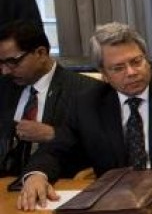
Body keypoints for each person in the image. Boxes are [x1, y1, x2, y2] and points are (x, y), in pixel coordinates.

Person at [17, 22, 152, 211]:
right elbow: (56, 149)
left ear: (146, 59)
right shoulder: (87, 104)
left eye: (136, 62)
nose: (131, 72)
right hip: (113, 206)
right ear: (104, 74)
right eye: (118, 68)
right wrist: (37, 174)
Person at [0, 20, 93, 185]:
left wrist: (53, 135)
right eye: (1, 63)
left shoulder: (85, 91)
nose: (5, 71)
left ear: (41, 53)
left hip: (56, 184)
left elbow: (102, 148)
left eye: (12, 62)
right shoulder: (4, 87)